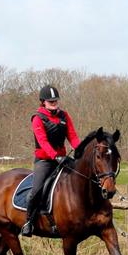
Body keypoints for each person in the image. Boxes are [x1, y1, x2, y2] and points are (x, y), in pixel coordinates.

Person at [21, 84, 79, 236]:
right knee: (36, 190)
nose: (54, 103)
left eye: (55, 101)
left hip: (63, 159)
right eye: (51, 101)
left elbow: (72, 136)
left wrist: (80, 149)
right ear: (43, 102)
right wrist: (55, 156)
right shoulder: (37, 118)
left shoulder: (64, 116)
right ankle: (29, 222)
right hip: (45, 161)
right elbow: (43, 142)